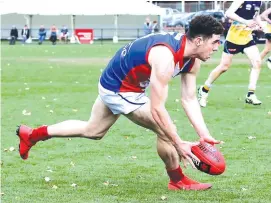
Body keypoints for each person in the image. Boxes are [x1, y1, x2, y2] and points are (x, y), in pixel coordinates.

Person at [16, 15, 223, 191]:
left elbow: (188, 98)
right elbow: (157, 109)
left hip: (118, 80)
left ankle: (32, 135)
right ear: (198, 40)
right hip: (119, 88)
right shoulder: (165, 57)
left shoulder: (192, 59)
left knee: (93, 130)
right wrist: (178, 142)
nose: (217, 47)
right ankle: (178, 181)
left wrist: (204, 135)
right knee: (166, 130)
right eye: (214, 42)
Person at [198, 0, 264, 107]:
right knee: (224, 67)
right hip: (234, 38)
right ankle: (204, 89)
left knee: (257, 62)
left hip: (247, 37)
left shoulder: (259, 1)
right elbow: (228, 13)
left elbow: (256, 16)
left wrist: (261, 25)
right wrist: (246, 22)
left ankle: (250, 94)